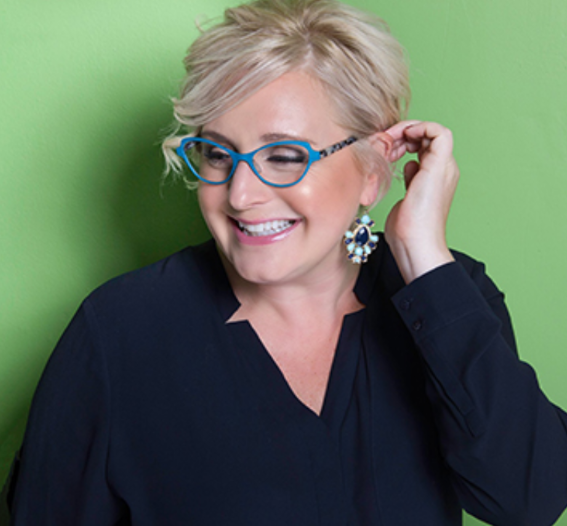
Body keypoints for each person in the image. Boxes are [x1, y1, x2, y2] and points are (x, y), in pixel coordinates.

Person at [6, 0, 567, 524]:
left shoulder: (447, 294)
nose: (240, 193)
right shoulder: (119, 332)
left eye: (284, 156)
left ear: (372, 171)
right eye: (217, 153)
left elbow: (530, 498)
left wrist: (422, 253)